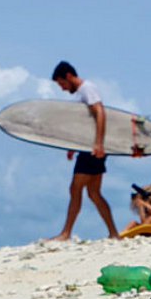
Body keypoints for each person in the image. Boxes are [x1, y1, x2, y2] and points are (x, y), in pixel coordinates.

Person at [47, 61, 119, 241]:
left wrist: (99, 144)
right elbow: (85, 124)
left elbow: (100, 112)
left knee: (75, 188)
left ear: (69, 76)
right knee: (94, 193)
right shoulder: (82, 92)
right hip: (88, 147)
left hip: (93, 149)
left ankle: (66, 233)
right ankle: (113, 234)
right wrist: (73, 147)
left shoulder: (88, 88)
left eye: (62, 83)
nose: (62, 88)